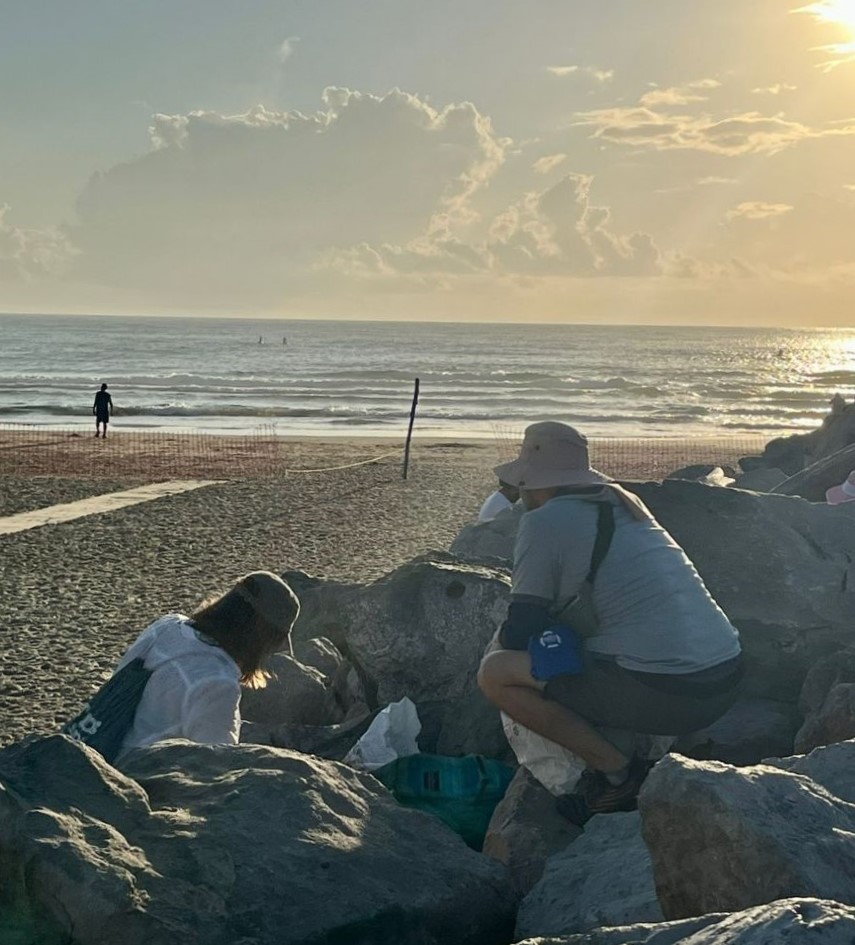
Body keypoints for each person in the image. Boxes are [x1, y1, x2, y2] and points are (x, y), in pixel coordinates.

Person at [477, 422, 742, 825]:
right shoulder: (624, 502)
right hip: (724, 678)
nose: (522, 495)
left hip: (672, 693)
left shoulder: (545, 521)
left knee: (495, 672)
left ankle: (617, 774)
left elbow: (521, 627)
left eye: (522, 485)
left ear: (537, 483)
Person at [113, 570, 299, 761]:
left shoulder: (167, 625)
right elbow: (215, 765)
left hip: (101, 745)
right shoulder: (217, 682)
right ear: (262, 637)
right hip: (137, 776)